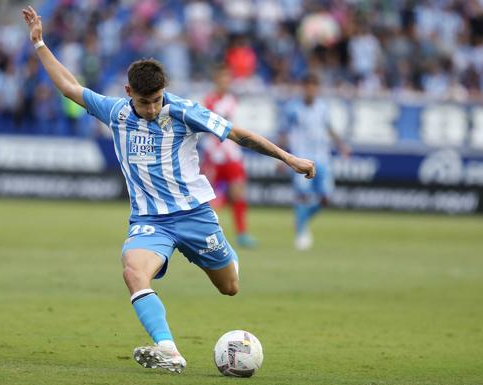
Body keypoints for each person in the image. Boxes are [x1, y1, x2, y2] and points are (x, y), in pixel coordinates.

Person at [22, 6, 314, 374]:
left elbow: (238, 134)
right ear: (129, 92)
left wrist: (290, 159)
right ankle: (169, 349)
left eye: (158, 99)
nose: (152, 108)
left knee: (230, 286)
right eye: (144, 102)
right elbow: (68, 86)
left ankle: (216, 251)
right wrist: (40, 43)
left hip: (194, 215)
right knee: (133, 272)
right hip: (149, 221)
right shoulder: (116, 112)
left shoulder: (183, 111)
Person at [279, 74, 350, 251]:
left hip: (322, 159)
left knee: (326, 198)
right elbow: (284, 133)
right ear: (303, 88)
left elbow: (329, 128)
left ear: (317, 89)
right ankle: (302, 233)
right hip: (301, 159)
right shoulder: (293, 109)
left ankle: (301, 220)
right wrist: (280, 157)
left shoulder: (323, 108)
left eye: (313, 86)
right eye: (307, 86)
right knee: (302, 196)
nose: (310, 89)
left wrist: (341, 146)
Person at [200, 65, 256, 248]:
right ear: (216, 80)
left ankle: (242, 233)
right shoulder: (208, 101)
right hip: (214, 157)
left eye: (228, 78)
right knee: (207, 199)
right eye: (222, 78)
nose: (225, 82)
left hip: (232, 155)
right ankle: (204, 234)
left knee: (238, 192)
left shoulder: (233, 101)